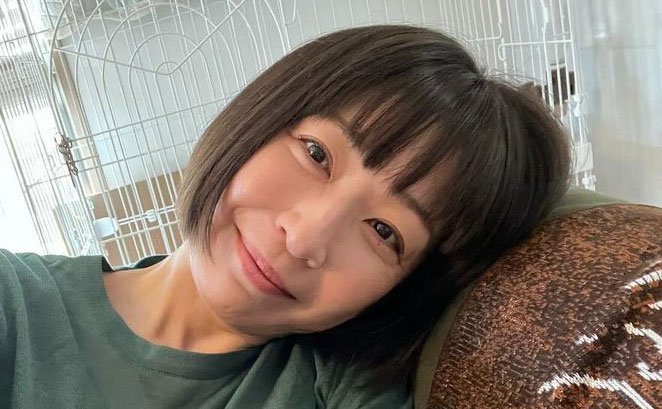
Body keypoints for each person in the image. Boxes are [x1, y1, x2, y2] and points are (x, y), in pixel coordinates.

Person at [0, 25, 570, 408]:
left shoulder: (340, 391)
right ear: (258, 118)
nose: (302, 237)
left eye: (384, 232)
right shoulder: (16, 304)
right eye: (316, 154)